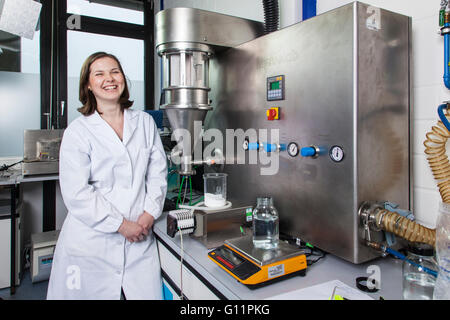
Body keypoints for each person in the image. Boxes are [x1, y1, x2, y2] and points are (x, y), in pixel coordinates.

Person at [47, 52, 168, 300]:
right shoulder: (78, 131)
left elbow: (158, 172)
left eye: (115, 71)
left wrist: (149, 214)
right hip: (93, 242)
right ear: (88, 85)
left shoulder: (144, 122)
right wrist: (122, 226)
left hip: (139, 236)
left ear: (123, 78)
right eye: (99, 74)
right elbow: (77, 193)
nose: (109, 79)